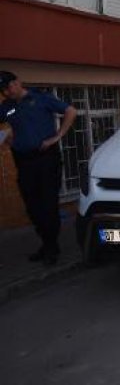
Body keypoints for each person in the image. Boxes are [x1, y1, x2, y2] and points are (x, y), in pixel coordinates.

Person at [0, 71, 76, 265]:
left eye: (9, 87)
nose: (7, 92)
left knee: (48, 205)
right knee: (32, 207)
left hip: (46, 159)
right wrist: (6, 137)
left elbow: (70, 111)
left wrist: (57, 136)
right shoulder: (7, 106)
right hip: (23, 160)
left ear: (17, 82)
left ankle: (51, 248)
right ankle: (47, 243)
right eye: (3, 90)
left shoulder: (41, 98)